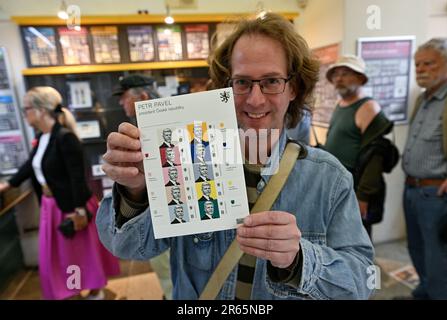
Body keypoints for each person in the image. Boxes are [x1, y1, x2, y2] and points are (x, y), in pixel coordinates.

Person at [97, 13, 374, 300]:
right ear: (226, 88)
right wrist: (135, 190)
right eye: (242, 82)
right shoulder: (186, 160)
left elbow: (363, 282)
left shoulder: (328, 179)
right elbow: (128, 247)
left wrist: (299, 259)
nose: (255, 99)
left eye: (271, 81)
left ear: (293, 88)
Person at [0, 86, 120, 300]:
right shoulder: (43, 137)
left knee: (76, 255)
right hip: (50, 206)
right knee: (63, 257)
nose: (24, 113)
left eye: (26, 108)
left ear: (40, 111)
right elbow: (30, 166)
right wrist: (8, 184)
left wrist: (80, 210)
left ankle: (91, 290)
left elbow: (77, 177)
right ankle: (75, 291)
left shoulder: (65, 138)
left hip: (71, 206)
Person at [112, 74, 173, 300]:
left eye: (124, 96)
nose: (120, 102)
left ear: (143, 96)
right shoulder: (140, 127)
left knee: (167, 265)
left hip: (165, 211)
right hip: (153, 211)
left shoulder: (154, 127)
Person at [324, 54, 396, 238]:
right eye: (336, 74)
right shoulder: (341, 104)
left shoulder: (368, 108)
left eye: (346, 73)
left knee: (357, 241)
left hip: (355, 189)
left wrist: (363, 197)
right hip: (338, 186)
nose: (339, 78)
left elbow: (376, 157)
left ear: (360, 78)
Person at [401, 38, 447, 300]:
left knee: (439, 259)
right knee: (417, 249)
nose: (420, 69)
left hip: (437, 195)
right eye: (417, 64)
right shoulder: (423, 99)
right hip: (412, 189)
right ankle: (424, 293)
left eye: (428, 63)